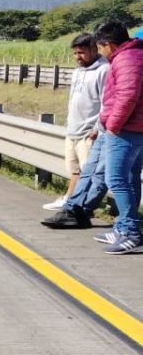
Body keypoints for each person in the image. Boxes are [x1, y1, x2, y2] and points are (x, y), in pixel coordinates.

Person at [42, 34, 108, 211]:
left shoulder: (104, 70)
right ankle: (70, 200)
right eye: (75, 53)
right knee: (75, 170)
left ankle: (79, 207)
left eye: (82, 52)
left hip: (89, 132)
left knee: (89, 173)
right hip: (73, 129)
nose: (78, 56)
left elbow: (106, 102)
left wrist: (96, 129)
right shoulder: (78, 70)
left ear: (94, 50)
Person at [93, 21, 143, 254]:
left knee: (116, 179)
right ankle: (123, 227)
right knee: (130, 177)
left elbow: (127, 96)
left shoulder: (126, 59)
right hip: (134, 128)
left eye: (100, 47)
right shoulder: (134, 55)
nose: (100, 53)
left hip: (126, 129)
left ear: (110, 45)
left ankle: (131, 232)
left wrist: (112, 125)